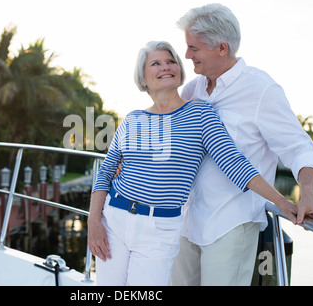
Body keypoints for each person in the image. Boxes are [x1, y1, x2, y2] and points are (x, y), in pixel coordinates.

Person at [87, 41, 297, 286]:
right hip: (114, 220)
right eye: (156, 63)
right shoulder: (133, 119)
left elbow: (234, 163)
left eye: (171, 61)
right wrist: (93, 222)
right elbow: (105, 173)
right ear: (143, 78)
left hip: (161, 229)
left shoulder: (200, 114)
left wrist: (281, 201)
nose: (166, 67)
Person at [170, 3, 313, 286]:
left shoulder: (261, 89)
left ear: (221, 48)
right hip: (185, 220)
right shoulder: (193, 89)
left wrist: (308, 195)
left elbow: (299, 147)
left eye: (194, 48)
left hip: (230, 224)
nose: (187, 55)